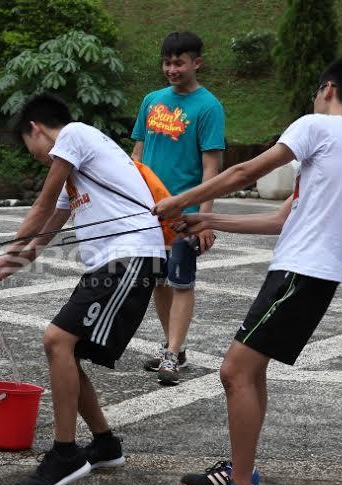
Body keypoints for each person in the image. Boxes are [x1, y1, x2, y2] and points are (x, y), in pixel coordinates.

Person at [153, 57, 342, 485]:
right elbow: (281, 220)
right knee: (251, 373)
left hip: (301, 275)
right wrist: (208, 219)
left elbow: (244, 173)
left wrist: (180, 199)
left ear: (328, 88)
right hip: (305, 274)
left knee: (233, 372)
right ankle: (242, 468)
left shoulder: (318, 125)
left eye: (318, 92)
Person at [0, 94, 167, 485]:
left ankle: (65, 453)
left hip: (131, 257)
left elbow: (40, 206)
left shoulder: (75, 135)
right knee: (66, 350)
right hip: (113, 263)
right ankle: (104, 443)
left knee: (56, 340)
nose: (33, 155)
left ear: (36, 129)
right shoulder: (76, 175)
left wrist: (6, 245)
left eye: (27, 145)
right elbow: (39, 241)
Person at [130, 31, 225, 385]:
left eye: (179, 62)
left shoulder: (208, 107)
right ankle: (174, 345)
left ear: (196, 62)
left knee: (182, 282)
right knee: (159, 282)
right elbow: (136, 156)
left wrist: (205, 219)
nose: (172, 69)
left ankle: (172, 353)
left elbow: (211, 169)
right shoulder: (151, 100)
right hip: (149, 211)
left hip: (185, 213)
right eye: (167, 62)